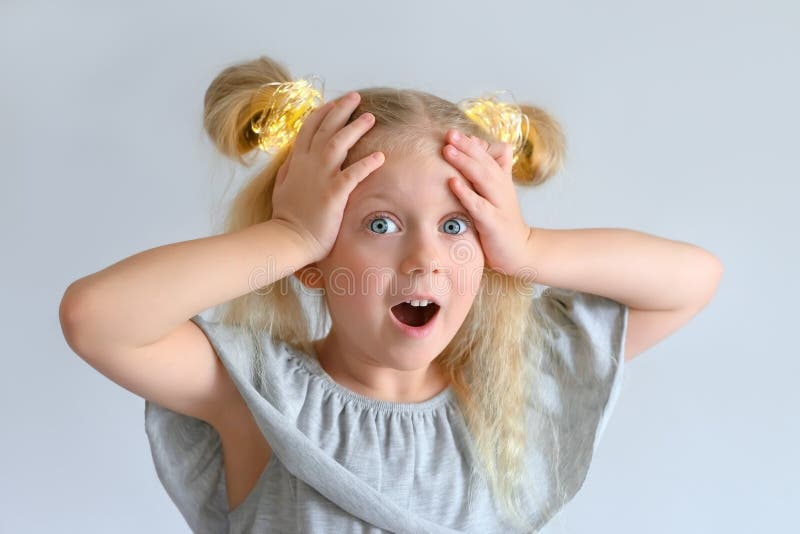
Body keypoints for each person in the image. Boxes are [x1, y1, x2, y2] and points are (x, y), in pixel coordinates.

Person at [58, 55, 723, 533]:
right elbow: (98, 319)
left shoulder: (515, 381)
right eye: (380, 224)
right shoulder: (255, 394)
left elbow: (692, 280)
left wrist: (528, 248)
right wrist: (288, 234)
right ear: (317, 261)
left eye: (455, 225)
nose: (425, 257)